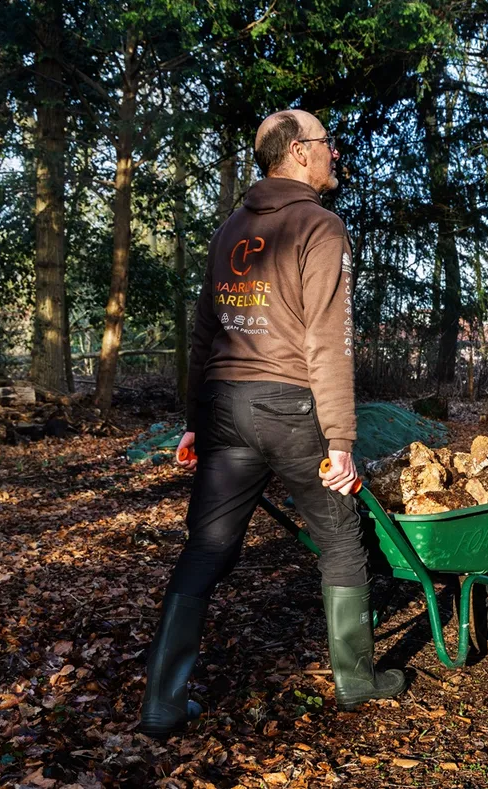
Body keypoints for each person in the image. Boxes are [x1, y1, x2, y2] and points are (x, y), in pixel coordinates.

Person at [139, 110, 406, 741]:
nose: (335, 153)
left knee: (206, 548)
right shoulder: (320, 226)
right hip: (289, 408)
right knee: (340, 539)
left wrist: (196, 422)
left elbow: (205, 335)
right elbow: (328, 341)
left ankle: (162, 704)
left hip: (225, 407)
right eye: (326, 143)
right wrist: (340, 440)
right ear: (298, 153)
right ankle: (356, 680)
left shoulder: (230, 227)